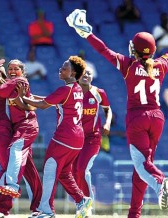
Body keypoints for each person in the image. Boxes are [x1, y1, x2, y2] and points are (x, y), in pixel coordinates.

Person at [67, 5, 168, 218]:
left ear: (135, 48)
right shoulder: (160, 65)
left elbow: (103, 50)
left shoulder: (129, 65)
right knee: (141, 165)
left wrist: (86, 32)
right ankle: (134, 214)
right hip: (157, 118)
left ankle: (160, 181)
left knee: (143, 165)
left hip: (137, 118)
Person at [21, 56, 92, 218]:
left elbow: (42, 105)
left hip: (64, 137)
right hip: (77, 138)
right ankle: (82, 200)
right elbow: (49, 100)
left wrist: (19, 97)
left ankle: (47, 210)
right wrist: (28, 95)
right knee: (64, 173)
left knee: (50, 170)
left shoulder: (65, 90)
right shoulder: (77, 89)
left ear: (73, 72)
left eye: (64, 67)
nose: (60, 69)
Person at [0, 59, 42, 218]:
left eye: (15, 68)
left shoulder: (8, 82)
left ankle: (38, 207)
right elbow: (2, 90)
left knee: (28, 171)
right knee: (9, 169)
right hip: (3, 131)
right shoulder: (5, 84)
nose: (10, 70)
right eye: (6, 67)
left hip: (8, 130)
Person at [72, 67, 112, 217]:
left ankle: (87, 207)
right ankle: (82, 205)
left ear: (92, 76)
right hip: (75, 138)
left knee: (82, 170)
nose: (86, 75)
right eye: (83, 73)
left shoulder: (98, 93)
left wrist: (107, 123)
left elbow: (108, 110)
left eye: (88, 73)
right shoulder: (71, 92)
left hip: (92, 138)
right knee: (75, 173)